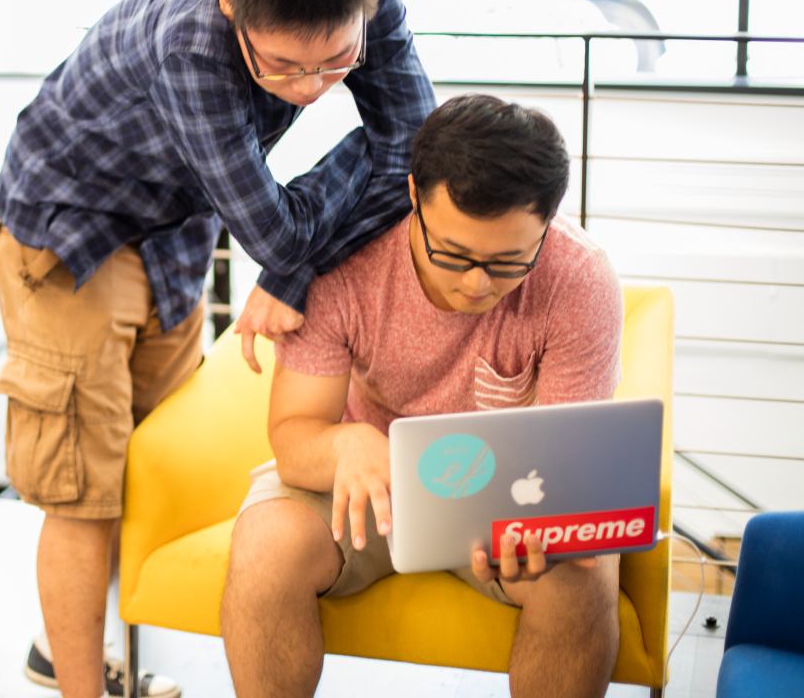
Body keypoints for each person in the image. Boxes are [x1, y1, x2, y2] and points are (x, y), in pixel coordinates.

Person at [0, 0, 435, 695]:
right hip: (69, 230)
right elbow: (281, 233)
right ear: (233, 9)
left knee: (147, 463)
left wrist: (295, 261)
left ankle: (69, 652)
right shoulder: (190, 41)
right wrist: (291, 263)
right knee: (83, 489)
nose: (308, 92)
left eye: (336, 63)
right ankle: (81, 685)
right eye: (282, 67)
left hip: (174, 228)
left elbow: (415, 145)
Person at [219, 94, 625, 698]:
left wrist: (543, 527)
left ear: (547, 224)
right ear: (413, 196)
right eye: (452, 254)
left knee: (580, 580)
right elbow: (295, 437)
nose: (476, 284)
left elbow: (565, 463)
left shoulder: (579, 277)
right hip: (366, 486)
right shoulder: (342, 264)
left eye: (509, 262)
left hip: (505, 503)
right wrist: (345, 444)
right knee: (265, 544)